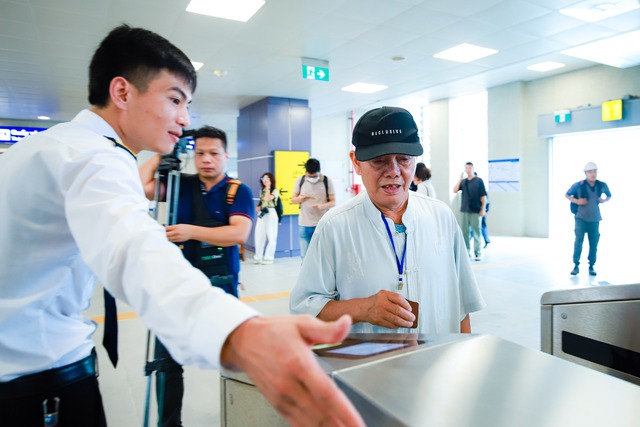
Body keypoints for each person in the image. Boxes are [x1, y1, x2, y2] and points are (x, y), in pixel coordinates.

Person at [0, 25, 364, 427]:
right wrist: (241, 334)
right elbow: (134, 249)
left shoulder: (50, 147)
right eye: (175, 99)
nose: (184, 119)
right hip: (36, 382)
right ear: (122, 92)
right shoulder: (95, 158)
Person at [290, 106, 485, 335]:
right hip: (369, 368)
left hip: (438, 362)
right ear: (356, 162)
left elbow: (461, 306)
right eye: (379, 161)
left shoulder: (441, 217)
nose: (393, 171)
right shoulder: (335, 227)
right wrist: (363, 309)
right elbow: (305, 308)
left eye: (403, 159)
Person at [139, 125, 254, 426]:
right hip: (177, 288)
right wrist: (162, 153)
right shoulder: (181, 183)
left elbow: (239, 233)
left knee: (233, 358)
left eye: (214, 153)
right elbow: (140, 186)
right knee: (165, 363)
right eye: (200, 153)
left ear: (226, 156)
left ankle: (242, 414)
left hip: (220, 288)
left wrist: (190, 231)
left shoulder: (237, 190)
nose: (206, 159)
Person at [565, 162, 611, 276]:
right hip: (580, 218)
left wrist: (603, 200)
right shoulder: (579, 185)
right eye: (590, 172)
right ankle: (576, 265)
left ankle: (591, 266)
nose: (593, 174)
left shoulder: (601, 185)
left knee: (594, 243)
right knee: (578, 242)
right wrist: (577, 201)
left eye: (595, 171)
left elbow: (609, 195)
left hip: (595, 219)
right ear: (586, 173)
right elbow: (567, 194)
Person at [291, 158, 335, 259]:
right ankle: (306, 275)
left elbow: (333, 201)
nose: (312, 177)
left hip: (322, 224)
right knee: (305, 257)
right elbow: (293, 200)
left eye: (314, 176)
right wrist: (300, 199)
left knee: (322, 256)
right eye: (309, 175)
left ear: (319, 171)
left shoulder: (327, 181)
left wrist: (321, 206)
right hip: (304, 224)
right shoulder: (300, 180)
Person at [453, 162, 487, 261]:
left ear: (473, 169)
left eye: (469, 168)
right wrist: (460, 179)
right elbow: (455, 190)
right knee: (464, 233)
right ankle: (466, 253)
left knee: (477, 232)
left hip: (476, 211)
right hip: (464, 210)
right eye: (466, 168)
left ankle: (478, 253)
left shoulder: (479, 181)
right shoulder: (463, 182)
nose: (468, 170)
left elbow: (483, 196)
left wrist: (483, 209)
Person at [254, 172, 280, 264]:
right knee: (259, 235)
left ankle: (269, 257)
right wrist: (258, 207)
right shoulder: (262, 190)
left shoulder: (275, 190)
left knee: (271, 236)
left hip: (271, 213)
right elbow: (263, 201)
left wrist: (268, 187)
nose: (265, 181)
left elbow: (268, 198)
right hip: (263, 212)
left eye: (267, 179)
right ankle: (258, 256)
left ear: (271, 180)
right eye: (263, 179)